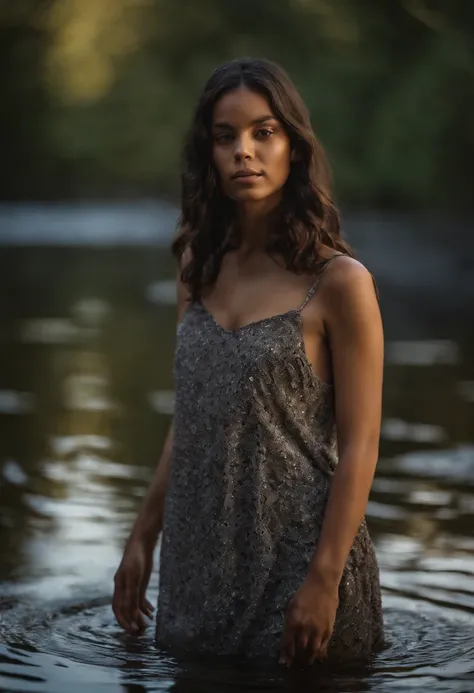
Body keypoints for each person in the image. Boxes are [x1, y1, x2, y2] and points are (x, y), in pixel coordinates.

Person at [112, 57, 384, 668]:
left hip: (302, 573)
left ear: (295, 145)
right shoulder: (196, 267)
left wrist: (324, 578)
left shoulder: (340, 281)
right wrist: (142, 534)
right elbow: (192, 412)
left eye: (264, 132)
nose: (244, 151)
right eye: (225, 135)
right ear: (207, 153)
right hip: (201, 571)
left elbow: (361, 443)